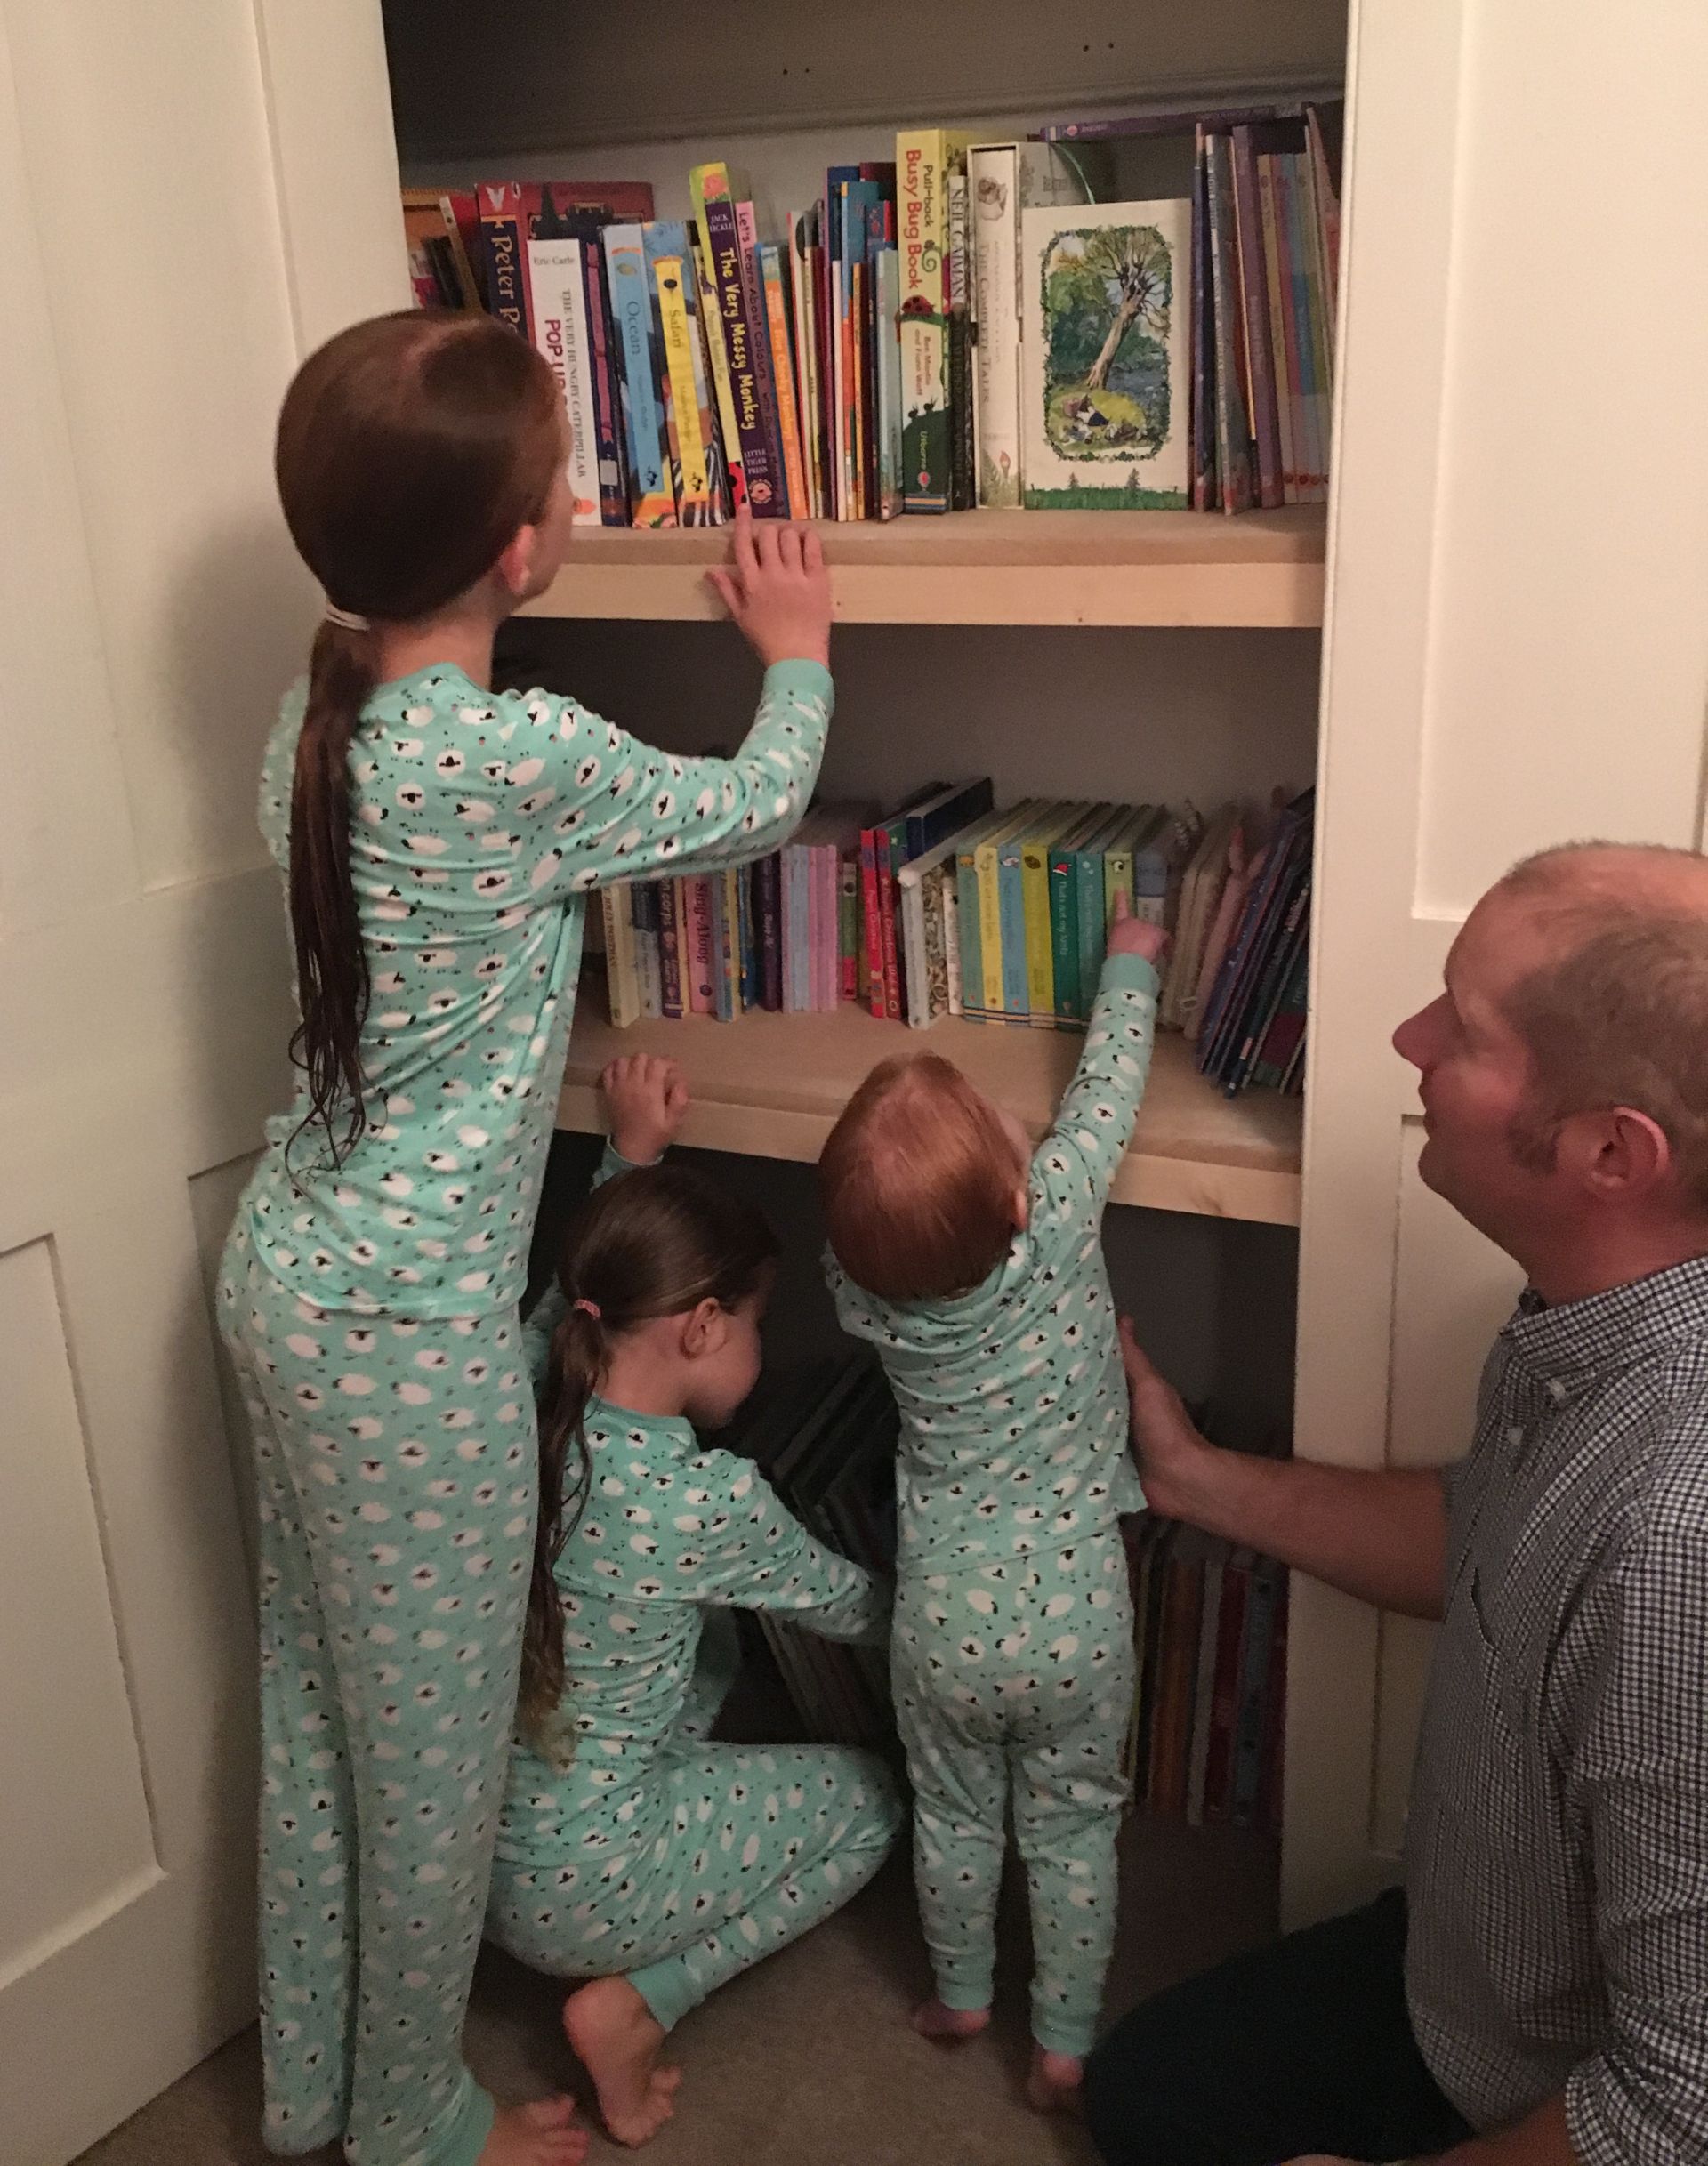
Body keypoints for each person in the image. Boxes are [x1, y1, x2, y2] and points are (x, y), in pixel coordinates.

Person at [215, 308, 833, 2166]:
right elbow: (755, 802)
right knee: (428, 1761)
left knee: (320, 1702)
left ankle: (309, 2076)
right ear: (523, 549)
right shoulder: (518, 752)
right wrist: (795, 655)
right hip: (406, 1346)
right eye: (560, 475)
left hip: (285, 1275)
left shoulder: (310, 723)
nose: (570, 496)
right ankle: (409, 2116)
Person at [1084, 842, 1708, 2166]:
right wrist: (1193, 1472)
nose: (1407, 1035)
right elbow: (1495, 1544)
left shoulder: (1676, 1533)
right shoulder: (1594, 1331)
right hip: (1473, 1971)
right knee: (1144, 2086)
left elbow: (1679, 2105)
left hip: (1551, 2093)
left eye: (1465, 1027)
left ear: (1611, 1149)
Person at [487, 1054, 903, 2146]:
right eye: (759, 1321)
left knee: (695, 1649)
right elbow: (855, 1607)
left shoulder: (529, 1399)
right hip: (594, 1881)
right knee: (872, 1804)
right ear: (705, 1325)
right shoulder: (704, 1500)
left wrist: (628, 1155)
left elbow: (560, 1294)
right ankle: (641, 2001)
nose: (763, 1346)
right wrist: (971, 1604)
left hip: (478, 1855)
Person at [818, 902, 1169, 2114]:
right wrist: (1129, 963)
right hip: (1076, 1614)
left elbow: (866, 1227)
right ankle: (1064, 2040)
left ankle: (962, 1992)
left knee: (955, 1813)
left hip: (943, 1624)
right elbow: (1106, 1099)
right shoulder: (1055, 1221)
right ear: (1022, 1198)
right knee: (1075, 1827)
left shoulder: (863, 1296)